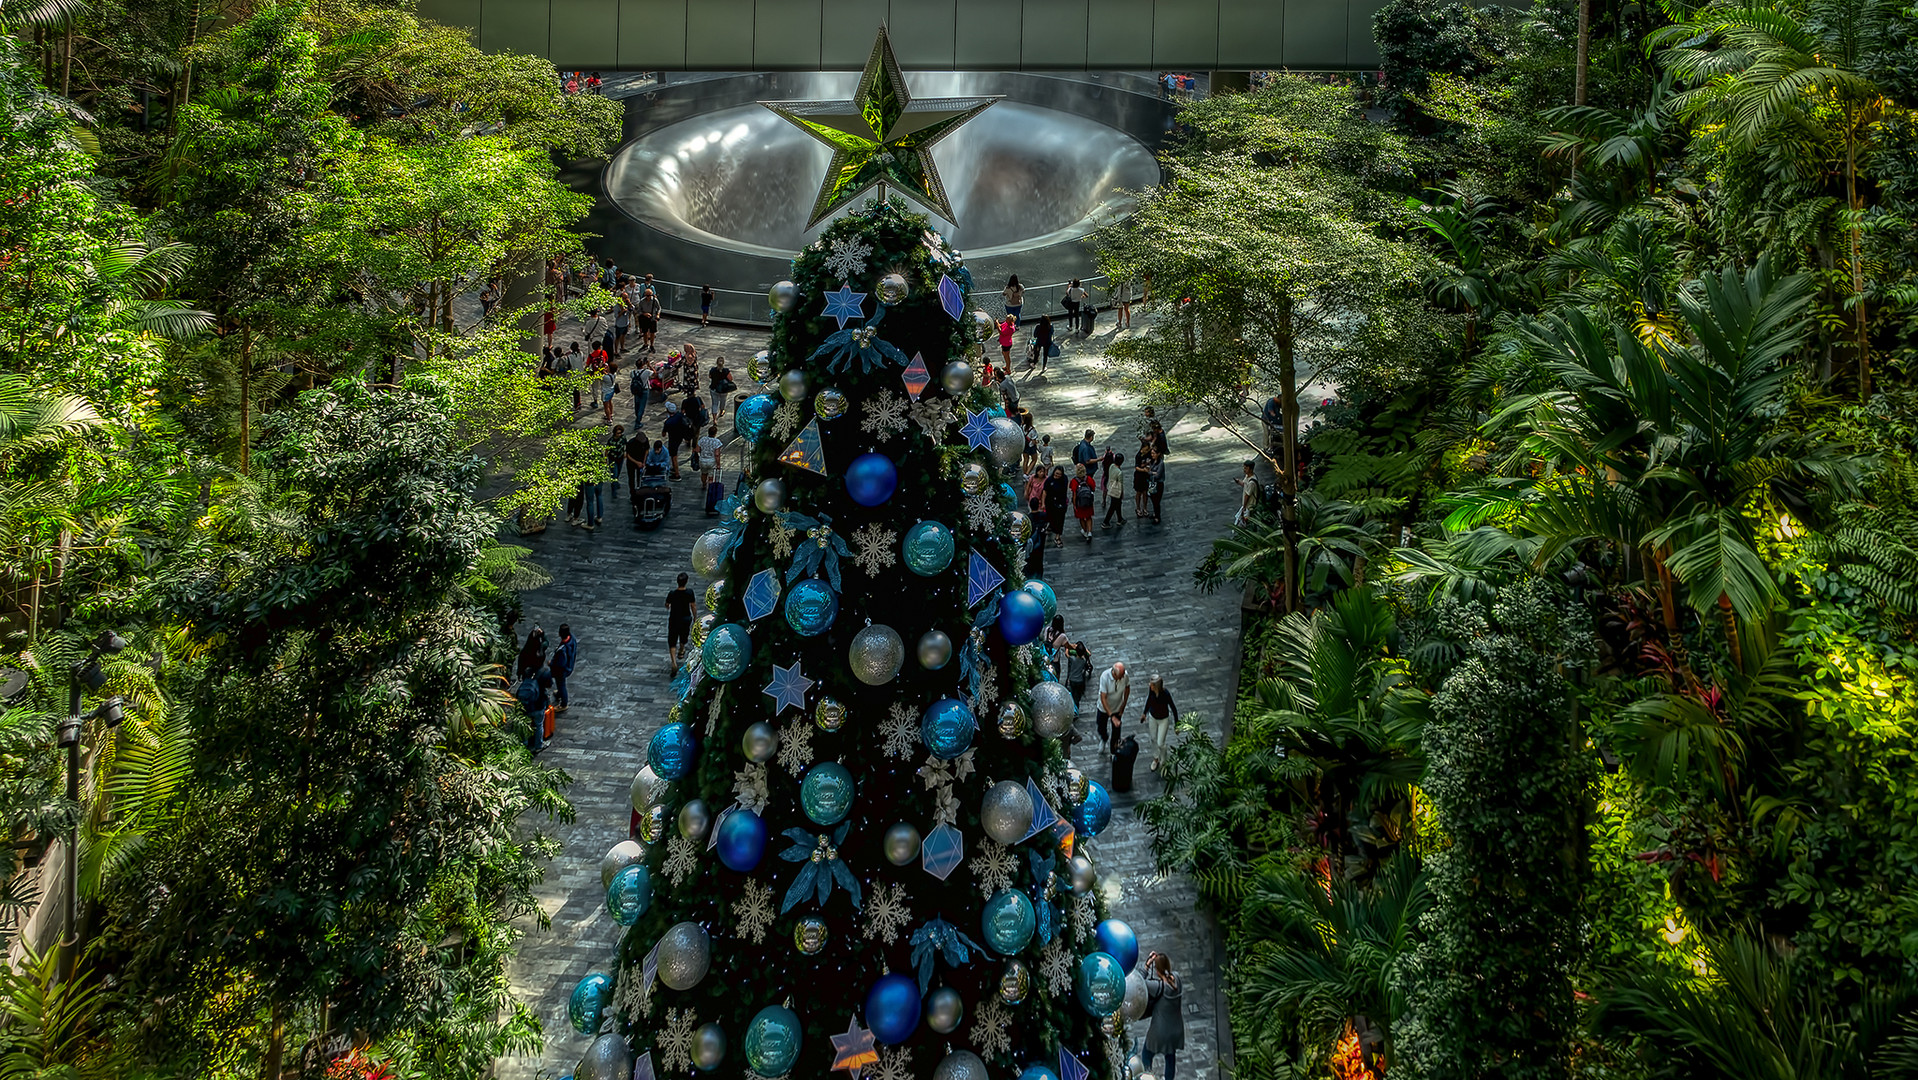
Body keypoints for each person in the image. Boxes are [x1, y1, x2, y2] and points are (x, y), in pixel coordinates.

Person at [1140, 952, 1186, 1080]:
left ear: (1157, 969)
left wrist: (1147, 965)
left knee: (1146, 1055)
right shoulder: (1177, 979)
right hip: (1175, 1030)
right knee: (1170, 1058)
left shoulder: (1157, 987)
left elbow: (1138, 983)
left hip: (1159, 1032)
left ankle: (1148, 1077)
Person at [1139, 674, 1180, 770]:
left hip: (1163, 719)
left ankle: (1164, 759)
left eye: (1152, 684)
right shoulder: (1152, 691)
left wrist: (1177, 724)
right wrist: (1144, 713)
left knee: (1160, 743)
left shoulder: (1165, 694)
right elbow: (1149, 699)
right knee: (1153, 739)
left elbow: (1173, 708)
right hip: (1153, 717)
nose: (1149, 685)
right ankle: (1156, 758)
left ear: (1156, 686)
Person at [665, 573, 696, 670]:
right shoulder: (689, 592)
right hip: (685, 618)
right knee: (684, 635)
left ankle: (674, 662)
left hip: (674, 619)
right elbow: (693, 606)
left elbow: (667, 604)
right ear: (686, 582)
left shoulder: (672, 593)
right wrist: (695, 617)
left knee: (672, 640)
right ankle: (682, 649)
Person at [1097, 661, 1130, 753]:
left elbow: (1127, 688)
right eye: (1121, 676)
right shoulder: (1105, 677)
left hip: (1117, 707)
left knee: (1116, 731)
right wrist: (1112, 716)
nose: (1123, 677)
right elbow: (1103, 697)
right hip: (1104, 708)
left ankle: (1114, 751)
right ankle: (1104, 738)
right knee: (1101, 727)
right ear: (1114, 674)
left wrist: (1123, 704)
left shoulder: (1125, 675)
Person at [698, 423, 725, 515]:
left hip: (702, 459)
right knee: (711, 475)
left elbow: (698, 449)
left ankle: (703, 484)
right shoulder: (717, 442)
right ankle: (710, 487)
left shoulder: (702, 439)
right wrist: (718, 464)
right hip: (711, 461)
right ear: (715, 433)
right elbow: (717, 454)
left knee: (703, 473)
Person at [551, 624, 579, 711]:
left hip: (562, 670)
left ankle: (563, 704)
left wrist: (551, 663)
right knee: (560, 684)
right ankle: (559, 693)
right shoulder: (572, 639)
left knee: (561, 684)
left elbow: (560, 664)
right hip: (569, 665)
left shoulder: (562, 649)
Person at [661, 400, 690, 480]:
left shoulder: (668, 422)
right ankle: (674, 468)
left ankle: (677, 474)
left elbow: (663, 434)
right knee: (674, 455)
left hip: (673, 439)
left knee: (674, 457)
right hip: (680, 437)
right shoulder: (679, 415)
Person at [1043, 464, 1069, 549]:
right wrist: (1043, 503)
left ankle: (1058, 536)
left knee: (1060, 520)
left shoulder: (1064, 479)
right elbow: (1045, 491)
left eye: (1059, 474)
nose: (1057, 476)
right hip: (1050, 503)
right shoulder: (1049, 480)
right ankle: (1051, 526)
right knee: (1051, 517)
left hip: (1061, 503)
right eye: (1056, 473)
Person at [1101, 446, 1127, 528]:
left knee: (1117, 504)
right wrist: (1122, 493)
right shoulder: (1119, 472)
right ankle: (1106, 522)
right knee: (1113, 506)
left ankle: (1120, 519)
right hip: (1117, 491)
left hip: (1110, 487)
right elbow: (1120, 484)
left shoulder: (1111, 466)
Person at [1071, 462, 1096, 541]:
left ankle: (1085, 530)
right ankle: (1089, 532)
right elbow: (1093, 488)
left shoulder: (1074, 481)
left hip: (1079, 503)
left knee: (1081, 518)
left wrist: (1074, 504)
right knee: (1089, 517)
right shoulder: (1089, 479)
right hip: (1088, 502)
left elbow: (1074, 494)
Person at [624, 429, 651, 501]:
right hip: (631, 462)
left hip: (641, 461)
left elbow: (647, 450)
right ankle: (632, 494)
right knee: (631, 479)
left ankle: (640, 491)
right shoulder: (631, 443)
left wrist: (644, 461)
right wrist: (637, 462)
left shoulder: (646, 441)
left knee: (641, 477)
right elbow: (628, 455)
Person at [709, 356, 735, 423]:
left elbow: (710, 376)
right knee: (723, 401)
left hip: (714, 388)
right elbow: (730, 379)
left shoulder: (713, 370)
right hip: (723, 389)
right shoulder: (726, 371)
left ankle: (714, 419)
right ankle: (721, 411)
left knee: (714, 404)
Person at [637, 287, 662, 352]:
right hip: (645, 318)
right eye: (647, 295)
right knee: (644, 332)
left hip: (652, 318)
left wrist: (658, 314)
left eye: (650, 295)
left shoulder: (654, 300)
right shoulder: (642, 301)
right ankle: (645, 344)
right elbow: (639, 311)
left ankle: (652, 345)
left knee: (652, 332)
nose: (649, 297)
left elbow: (659, 308)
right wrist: (644, 314)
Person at [1235, 459, 1259, 526]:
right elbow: (1244, 484)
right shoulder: (1247, 476)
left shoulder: (1252, 482)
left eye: (1246, 468)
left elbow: (1247, 495)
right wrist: (1239, 482)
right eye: (1244, 468)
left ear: (1251, 469)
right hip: (1246, 507)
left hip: (1249, 507)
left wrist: (1244, 507)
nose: (1244, 469)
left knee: (1247, 523)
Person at [1261, 393, 1284, 460]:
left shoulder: (1278, 405)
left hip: (1272, 422)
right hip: (1266, 420)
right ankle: (1265, 448)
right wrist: (1276, 417)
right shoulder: (1272, 401)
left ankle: (1271, 447)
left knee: (1273, 434)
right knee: (1266, 433)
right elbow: (1271, 412)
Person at [606, 424, 627, 493]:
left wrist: (625, 452)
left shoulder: (623, 438)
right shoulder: (611, 441)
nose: (619, 434)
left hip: (620, 458)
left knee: (618, 473)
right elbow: (607, 450)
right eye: (618, 433)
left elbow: (626, 445)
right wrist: (605, 459)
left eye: (620, 433)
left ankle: (616, 483)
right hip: (613, 458)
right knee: (614, 474)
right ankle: (613, 489)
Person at [1133, 448, 1153, 521]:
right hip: (1139, 476)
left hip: (1146, 476)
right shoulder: (1138, 456)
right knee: (1138, 492)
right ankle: (1138, 508)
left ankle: (1145, 508)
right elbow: (1136, 467)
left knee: (1145, 492)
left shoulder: (1148, 454)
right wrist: (1143, 469)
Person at [1149, 449, 1167, 524]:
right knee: (1153, 500)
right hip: (1152, 483)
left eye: (1154, 453)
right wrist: (1152, 473)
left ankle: (1157, 516)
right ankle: (1155, 513)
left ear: (1158, 454)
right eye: (1151, 453)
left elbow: (1158, 475)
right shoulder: (1152, 461)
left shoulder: (1161, 463)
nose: (1152, 455)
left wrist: (1150, 473)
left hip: (1158, 484)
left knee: (1157, 501)